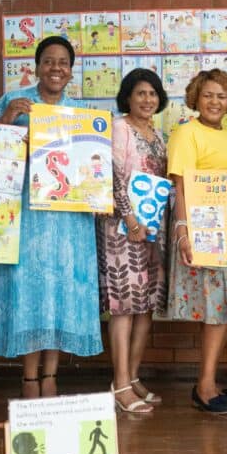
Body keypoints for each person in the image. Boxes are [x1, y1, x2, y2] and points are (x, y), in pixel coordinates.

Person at [0, 36, 102, 399]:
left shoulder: (82, 114)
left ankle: (51, 375)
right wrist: (6, 120)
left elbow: (93, 171)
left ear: (70, 70)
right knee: (29, 292)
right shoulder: (15, 102)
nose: (56, 68)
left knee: (63, 294)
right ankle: (29, 377)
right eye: (48, 61)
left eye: (63, 62)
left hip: (69, 223)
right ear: (36, 66)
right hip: (27, 218)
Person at [167, 69, 227, 414]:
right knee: (216, 311)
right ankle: (204, 386)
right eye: (208, 95)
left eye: (221, 96)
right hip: (207, 235)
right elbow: (181, 186)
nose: (215, 102)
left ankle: (212, 380)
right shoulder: (186, 133)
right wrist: (183, 230)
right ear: (195, 98)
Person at [96, 68, 169, 413]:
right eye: (140, 93)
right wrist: (129, 217)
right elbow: (111, 174)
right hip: (122, 229)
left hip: (152, 230)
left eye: (153, 93)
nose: (147, 100)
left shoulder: (157, 134)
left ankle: (133, 377)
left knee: (146, 305)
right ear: (128, 96)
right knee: (124, 306)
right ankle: (120, 383)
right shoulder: (119, 127)